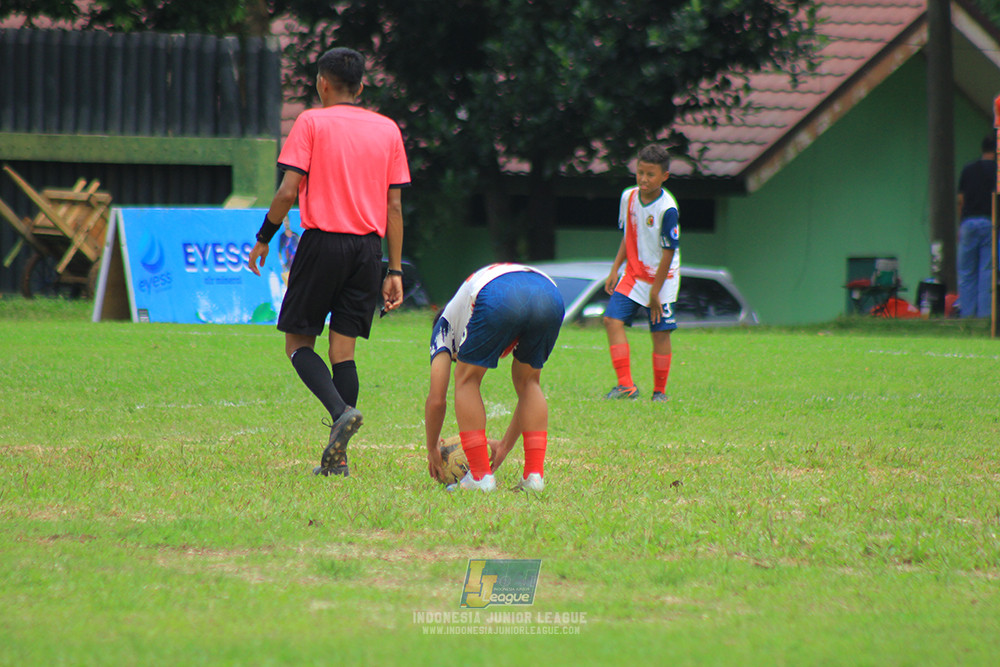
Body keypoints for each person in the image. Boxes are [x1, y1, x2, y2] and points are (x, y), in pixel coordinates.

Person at [248, 47, 410, 477]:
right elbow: (394, 207)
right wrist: (393, 270)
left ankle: (340, 411)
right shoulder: (388, 129)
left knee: (298, 344)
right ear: (361, 86)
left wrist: (265, 236)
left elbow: (287, 192)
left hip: (322, 244)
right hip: (366, 251)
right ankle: (338, 460)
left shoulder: (311, 122)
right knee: (344, 350)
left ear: (322, 83)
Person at [424, 263, 565, 492]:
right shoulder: (466, 306)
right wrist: (504, 446)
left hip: (500, 293)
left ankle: (480, 477)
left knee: (466, 379)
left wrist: (432, 448)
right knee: (529, 382)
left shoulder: (444, 327)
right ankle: (534, 477)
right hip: (549, 292)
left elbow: (437, 399)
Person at [602, 144, 680, 402]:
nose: (644, 179)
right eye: (640, 173)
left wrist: (656, 292)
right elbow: (628, 235)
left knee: (659, 333)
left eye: (651, 174)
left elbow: (668, 252)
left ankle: (660, 392)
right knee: (612, 320)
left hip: (662, 279)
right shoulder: (629, 197)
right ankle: (626, 386)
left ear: (664, 176)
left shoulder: (667, 208)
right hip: (634, 275)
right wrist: (615, 269)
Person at [956, 135, 997, 318]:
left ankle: (966, 315)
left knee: (966, 273)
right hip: (990, 223)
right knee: (986, 273)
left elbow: (960, 200)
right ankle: (985, 317)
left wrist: (960, 225)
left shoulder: (968, 169)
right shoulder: (997, 171)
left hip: (968, 223)